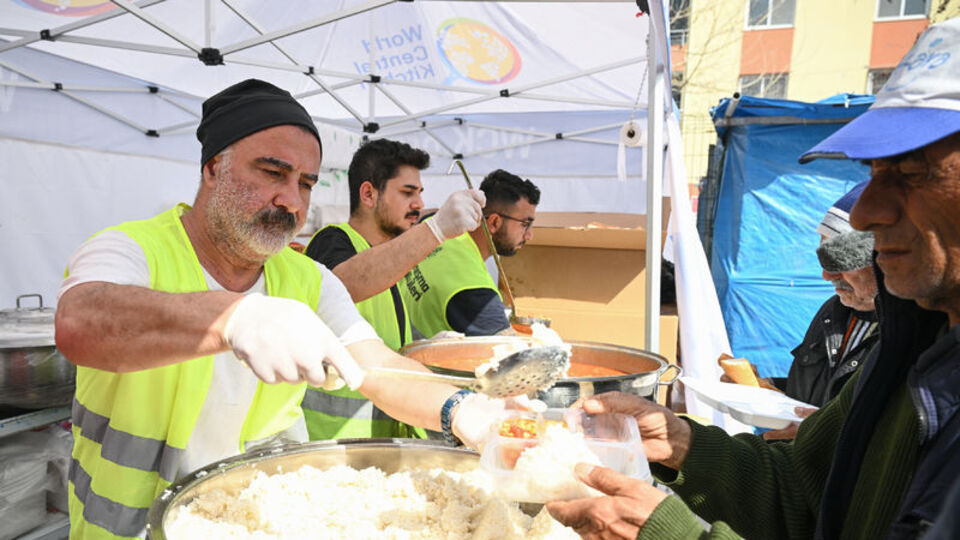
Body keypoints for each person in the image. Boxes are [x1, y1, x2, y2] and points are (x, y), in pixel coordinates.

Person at [546, 17, 960, 539]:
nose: (865, 212)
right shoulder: (912, 341)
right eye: (873, 174)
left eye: (914, 172)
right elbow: (805, 493)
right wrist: (680, 444)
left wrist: (675, 534)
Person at [54, 79, 515, 539]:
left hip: (249, 525)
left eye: (306, 183)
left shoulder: (306, 279)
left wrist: (464, 409)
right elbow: (80, 322)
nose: (292, 201)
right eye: (273, 173)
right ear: (214, 168)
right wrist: (232, 317)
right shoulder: (130, 248)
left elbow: (375, 366)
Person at [301, 138, 485, 440]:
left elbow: (379, 340)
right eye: (407, 193)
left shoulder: (391, 258)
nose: (419, 205)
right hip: (332, 442)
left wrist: (421, 350)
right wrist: (436, 229)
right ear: (369, 194)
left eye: (420, 194)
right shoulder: (332, 240)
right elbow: (342, 287)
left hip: (379, 439)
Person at [752, 182, 880, 440]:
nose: (826, 275)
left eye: (839, 261)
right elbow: (820, 395)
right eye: (822, 258)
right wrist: (767, 390)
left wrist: (821, 436)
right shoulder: (834, 312)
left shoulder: (913, 336)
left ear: (881, 260)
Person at [401, 169, 540, 337]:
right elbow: (513, 355)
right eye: (525, 224)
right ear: (494, 222)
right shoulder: (474, 290)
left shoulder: (433, 226)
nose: (529, 236)